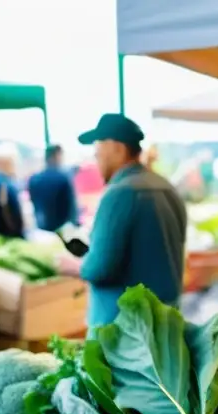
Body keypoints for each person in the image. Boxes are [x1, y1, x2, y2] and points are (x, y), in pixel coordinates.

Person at [55, 114, 186, 327]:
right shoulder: (166, 187)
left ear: (117, 148)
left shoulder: (119, 193)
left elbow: (99, 268)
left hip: (123, 332)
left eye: (98, 154)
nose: (96, 161)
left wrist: (73, 266)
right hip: (165, 321)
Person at [28, 145, 78, 232]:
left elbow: (33, 201)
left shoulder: (34, 179)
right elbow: (72, 207)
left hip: (41, 228)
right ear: (56, 156)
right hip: (62, 230)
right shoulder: (63, 177)